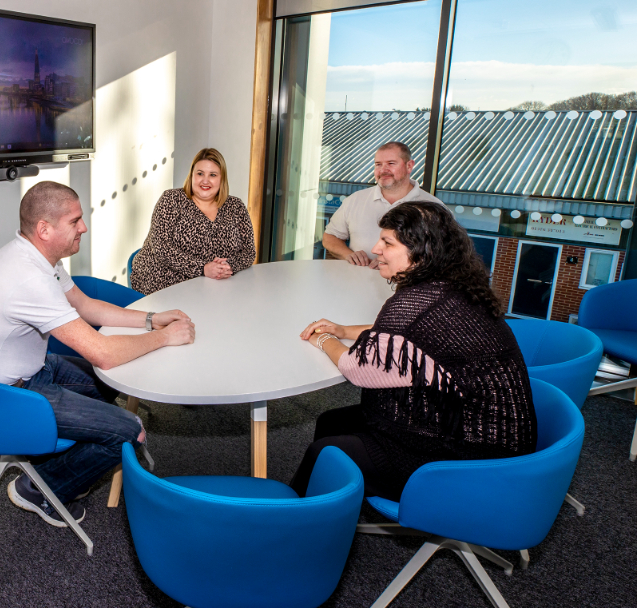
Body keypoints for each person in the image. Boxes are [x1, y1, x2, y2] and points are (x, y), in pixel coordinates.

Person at [0, 181, 195, 527]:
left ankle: (67, 462)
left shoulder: (37, 256)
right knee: (130, 430)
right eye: (75, 221)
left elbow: (85, 306)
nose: (83, 227)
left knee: (109, 385)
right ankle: (39, 488)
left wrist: (151, 320)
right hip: (4, 397)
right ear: (44, 229)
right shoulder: (27, 279)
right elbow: (104, 353)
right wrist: (165, 338)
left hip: (25, 369)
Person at [291, 200, 537, 501]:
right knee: (332, 422)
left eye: (387, 242)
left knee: (324, 451)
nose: (375, 249)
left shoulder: (413, 302)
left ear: (421, 252)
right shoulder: (451, 286)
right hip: (496, 436)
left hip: (471, 456)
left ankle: (292, 524)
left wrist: (323, 339)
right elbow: (409, 337)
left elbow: (358, 367)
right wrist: (343, 330)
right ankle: (334, 504)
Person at [130, 148, 255, 295]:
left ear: (222, 179)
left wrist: (228, 266)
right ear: (192, 175)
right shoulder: (171, 200)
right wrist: (203, 268)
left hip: (216, 286)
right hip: (163, 283)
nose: (205, 180)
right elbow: (161, 247)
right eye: (200, 173)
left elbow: (248, 252)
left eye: (213, 175)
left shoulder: (236, 206)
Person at [323, 141, 441, 268]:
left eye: (391, 163)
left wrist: (396, 264)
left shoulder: (433, 208)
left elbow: (443, 255)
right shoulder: (355, 200)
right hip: (357, 283)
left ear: (409, 166)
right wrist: (348, 255)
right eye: (378, 164)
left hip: (410, 285)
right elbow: (330, 236)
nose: (383, 170)